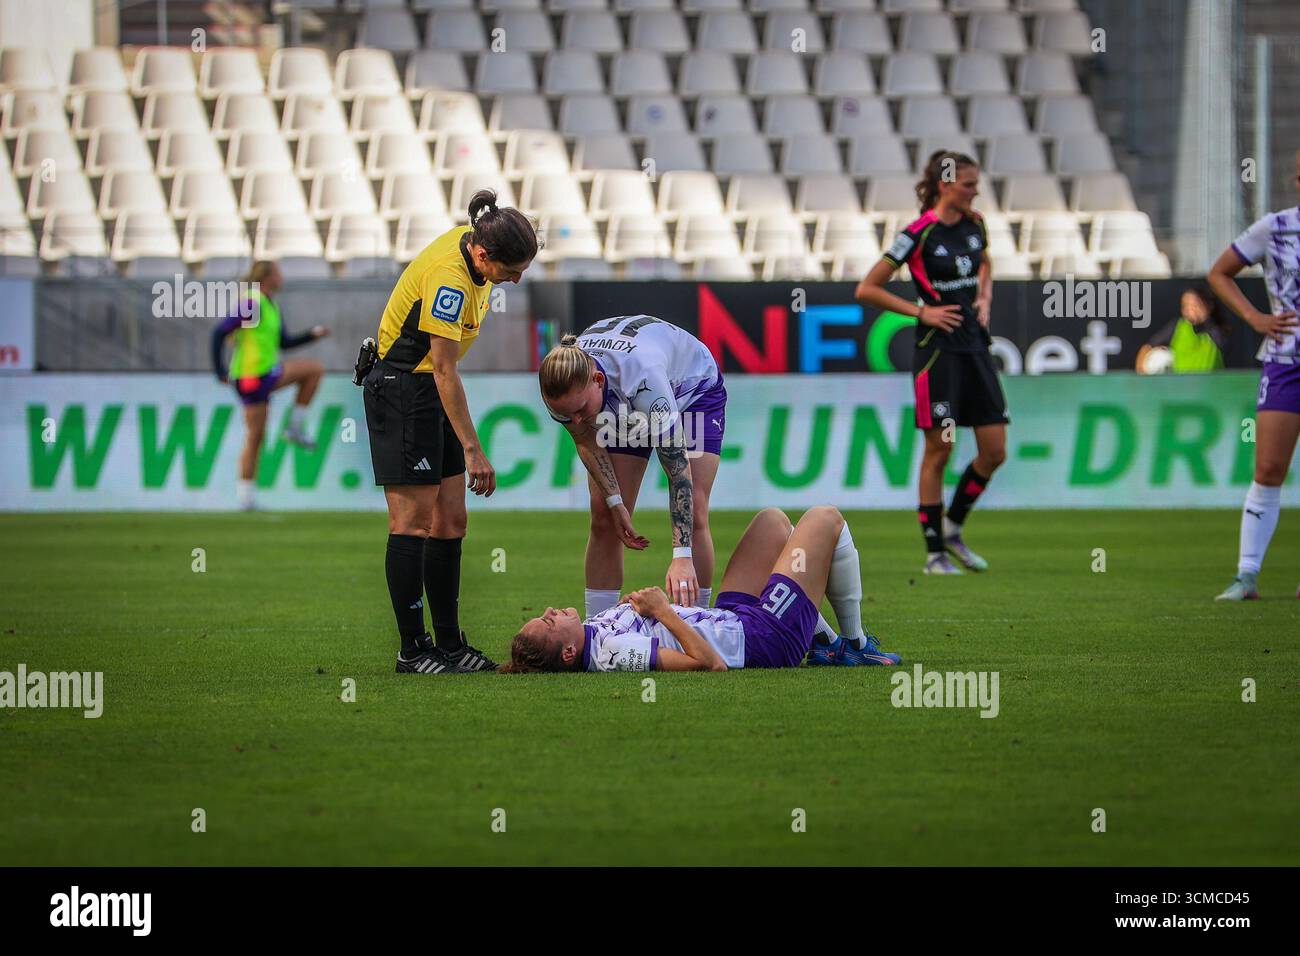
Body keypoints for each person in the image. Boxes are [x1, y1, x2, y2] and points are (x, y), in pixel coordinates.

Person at [363, 188, 538, 671]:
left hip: (427, 389)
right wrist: (473, 449)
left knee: (450, 523)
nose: (516, 280)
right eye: (511, 270)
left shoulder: (476, 244)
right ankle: (411, 648)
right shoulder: (449, 279)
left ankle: (450, 644)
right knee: (411, 524)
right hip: (404, 390)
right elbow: (443, 370)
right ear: (483, 255)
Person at [499, 506, 902, 673]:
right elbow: (708, 664)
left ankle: (823, 643)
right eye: (548, 623)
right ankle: (854, 643)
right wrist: (662, 610)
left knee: (771, 523)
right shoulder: (611, 655)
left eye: (544, 613)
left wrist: (640, 607)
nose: (551, 610)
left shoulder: (593, 633)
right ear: (568, 653)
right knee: (826, 518)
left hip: (733, 620)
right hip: (759, 640)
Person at [855, 150, 1008, 575]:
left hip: (975, 347)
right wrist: (922, 311)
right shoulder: (918, 234)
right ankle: (935, 553)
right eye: (968, 184)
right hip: (937, 353)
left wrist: (984, 295)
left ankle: (954, 528)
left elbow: (985, 262)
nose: (976, 192)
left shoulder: (976, 224)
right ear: (945, 184)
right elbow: (867, 288)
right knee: (940, 448)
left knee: (994, 449)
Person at [538, 316, 726, 617]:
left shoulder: (644, 381)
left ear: (597, 382)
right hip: (620, 401)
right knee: (602, 516)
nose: (575, 421)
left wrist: (681, 556)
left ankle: (696, 623)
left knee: (695, 511)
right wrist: (615, 503)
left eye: (580, 410)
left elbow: (678, 474)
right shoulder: (564, 389)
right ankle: (599, 627)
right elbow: (585, 439)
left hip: (691, 392)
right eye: (566, 415)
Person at [1207, 150, 1300, 601]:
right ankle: (1247, 576)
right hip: (1286, 361)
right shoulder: (1276, 226)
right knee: (1268, 467)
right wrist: (1256, 318)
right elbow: (1220, 272)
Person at [210, 260, 329, 511]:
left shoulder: (269, 303)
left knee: (313, 371)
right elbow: (219, 333)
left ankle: (294, 428)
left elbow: (284, 343)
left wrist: (313, 334)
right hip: (251, 376)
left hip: (266, 373)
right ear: (268, 276)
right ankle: (245, 497)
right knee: (255, 437)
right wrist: (220, 371)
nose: (282, 277)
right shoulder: (252, 302)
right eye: (278, 272)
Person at [1136, 284, 1232, 374]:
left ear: (1208, 306)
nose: (1190, 309)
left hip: (1211, 386)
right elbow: (1148, 346)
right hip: (1181, 386)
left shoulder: (1217, 328)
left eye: (1195, 304)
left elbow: (1223, 344)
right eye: (1186, 305)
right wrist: (1141, 372)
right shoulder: (1177, 326)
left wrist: (1205, 319)